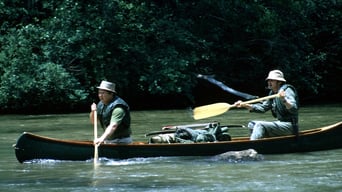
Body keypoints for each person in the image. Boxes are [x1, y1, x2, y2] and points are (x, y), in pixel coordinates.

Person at [234, 70, 299, 140]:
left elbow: (294, 109)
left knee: (260, 125)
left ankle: (252, 145)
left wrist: (283, 99)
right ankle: (259, 142)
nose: (269, 82)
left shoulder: (287, 90)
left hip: (290, 126)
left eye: (272, 80)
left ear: (279, 82)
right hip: (281, 123)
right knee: (252, 124)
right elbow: (263, 108)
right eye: (268, 80)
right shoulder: (272, 93)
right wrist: (245, 105)